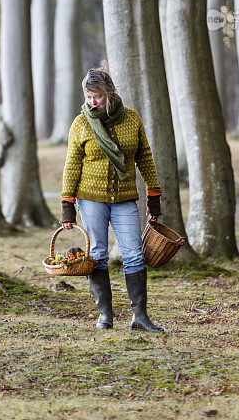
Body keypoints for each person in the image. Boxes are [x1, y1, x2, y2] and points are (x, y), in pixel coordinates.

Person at [60, 68, 165, 332]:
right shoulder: (81, 123)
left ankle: (140, 317)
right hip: (90, 199)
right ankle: (104, 316)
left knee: (133, 254)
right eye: (88, 96)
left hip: (125, 198)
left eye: (98, 96)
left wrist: (154, 195)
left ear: (110, 93)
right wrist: (67, 206)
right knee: (97, 254)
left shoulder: (131, 119)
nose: (93, 102)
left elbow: (144, 156)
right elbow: (72, 164)